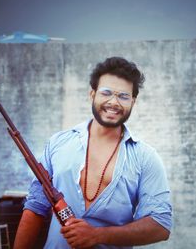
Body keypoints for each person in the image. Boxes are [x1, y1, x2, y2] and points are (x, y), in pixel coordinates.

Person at [14, 57, 173, 249]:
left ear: (133, 101)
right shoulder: (58, 144)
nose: (114, 102)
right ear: (92, 94)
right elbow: (35, 208)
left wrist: (97, 235)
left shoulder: (146, 157)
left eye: (123, 96)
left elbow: (160, 225)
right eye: (106, 93)